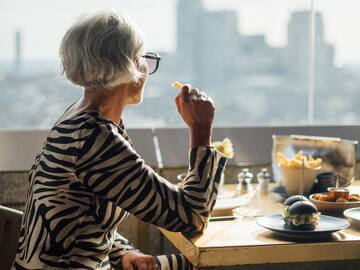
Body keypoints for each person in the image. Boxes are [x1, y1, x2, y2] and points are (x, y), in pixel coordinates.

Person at [12, 11, 227, 270]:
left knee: (187, 263)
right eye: (143, 58)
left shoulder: (77, 119)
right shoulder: (95, 138)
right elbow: (192, 216)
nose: (147, 68)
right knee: (204, 264)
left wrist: (124, 253)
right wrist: (201, 130)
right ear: (130, 65)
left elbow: (79, 217)